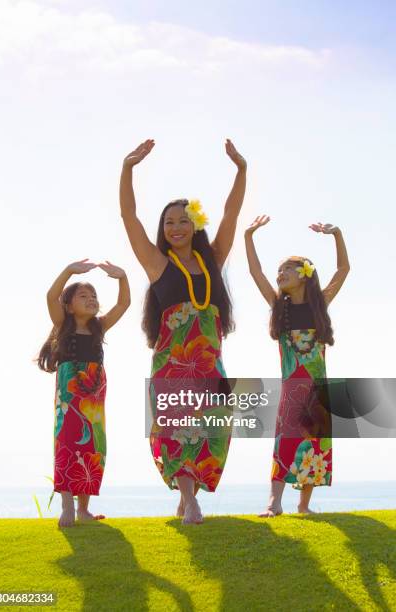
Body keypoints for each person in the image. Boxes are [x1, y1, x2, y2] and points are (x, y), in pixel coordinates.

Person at [120, 138, 246, 524]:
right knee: (178, 432)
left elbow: (231, 215)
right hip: (173, 363)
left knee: (214, 429)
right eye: (169, 222)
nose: (175, 227)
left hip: (209, 362)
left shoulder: (213, 260)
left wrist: (241, 170)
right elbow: (129, 218)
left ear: (195, 225)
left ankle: (187, 495)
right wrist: (127, 169)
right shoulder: (159, 265)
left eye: (182, 220)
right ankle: (190, 501)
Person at [245, 216, 350, 516]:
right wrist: (249, 236)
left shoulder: (320, 304)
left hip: (317, 389)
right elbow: (255, 271)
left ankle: (304, 506)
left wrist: (337, 233)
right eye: (279, 270)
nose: (280, 273)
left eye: (287, 268)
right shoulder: (280, 308)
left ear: (305, 274)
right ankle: (274, 502)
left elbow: (343, 270)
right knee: (285, 440)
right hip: (292, 388)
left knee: (314, 446)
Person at [37, 259, 130, 527]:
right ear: (69, 305)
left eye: (94, 296)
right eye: (83, 296)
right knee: (67, 443)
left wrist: (122, 277)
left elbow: (123, 304)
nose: (91, 299)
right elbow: (50, 296)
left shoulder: (98, 327)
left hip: (95, 393)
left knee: (93, 446)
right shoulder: (63, 323)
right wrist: (68, 271)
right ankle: (67, 506)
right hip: (69, 393)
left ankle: (84, 509)